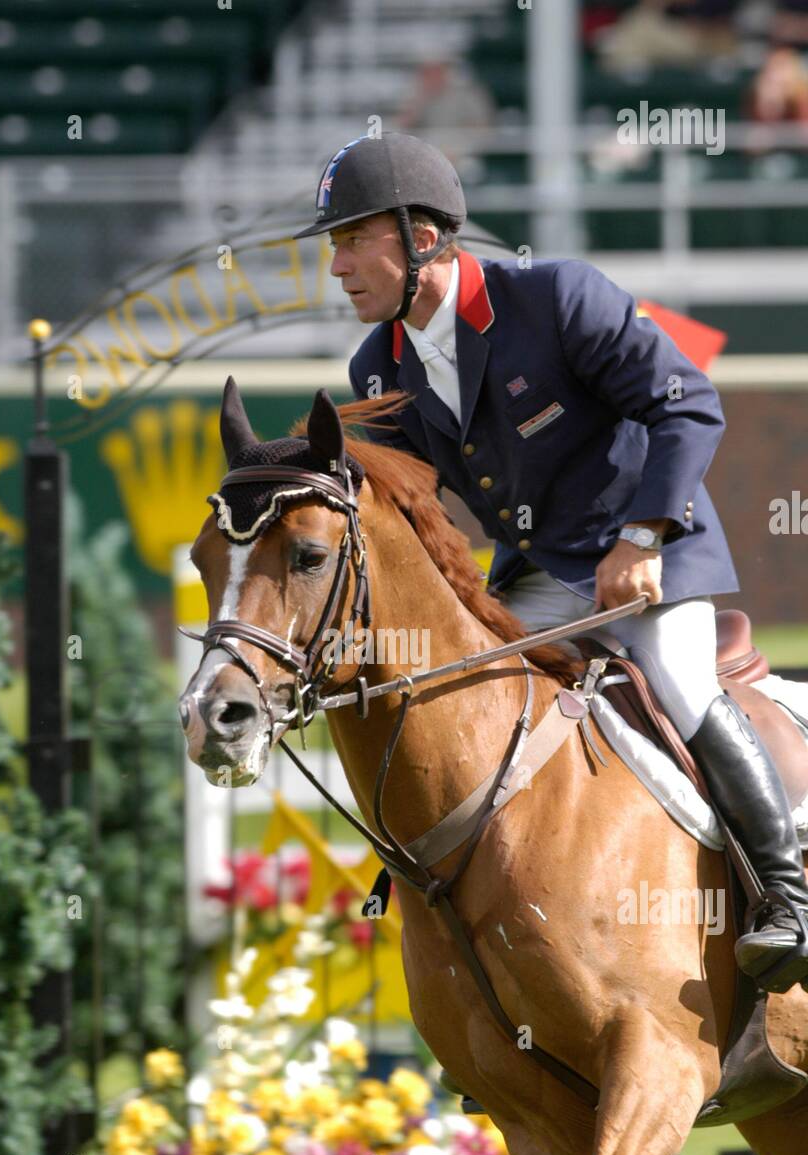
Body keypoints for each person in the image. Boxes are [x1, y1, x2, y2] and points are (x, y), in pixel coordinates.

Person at [292, 131, 808, 995]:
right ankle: (496, 986)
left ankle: (788, 898)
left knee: (681, 685)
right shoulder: (377, 362)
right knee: (452, 703)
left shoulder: (558, 298)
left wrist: (643, 537)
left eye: (352, 239)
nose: (338, 264)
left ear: (423, 238)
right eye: (334, 245)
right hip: (535, 582)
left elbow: (689, 405)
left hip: (647, 557)